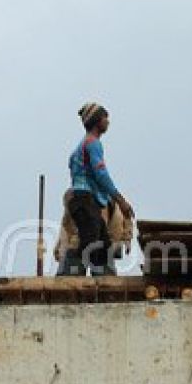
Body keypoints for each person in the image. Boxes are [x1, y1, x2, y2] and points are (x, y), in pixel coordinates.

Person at [65, 102, 135, 276]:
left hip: (86, 199)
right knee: (91, 243)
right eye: (105, 118)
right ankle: (74, 278)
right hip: (84, 198)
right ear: (97, 121)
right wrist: (120, 199)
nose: (108, 122)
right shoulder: (92, 143)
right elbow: (101, 174)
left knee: (102, 244)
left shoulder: (83, 145)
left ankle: (102, 279)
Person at [55, 189, 132, 276]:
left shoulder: (111, 199)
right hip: (78, 245)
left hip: (103, 246)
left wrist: (127, 238)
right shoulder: (74, 197)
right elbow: (67, 226)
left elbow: (127, 216)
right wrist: (60, 246)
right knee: (68, 282)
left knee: (106, 284)